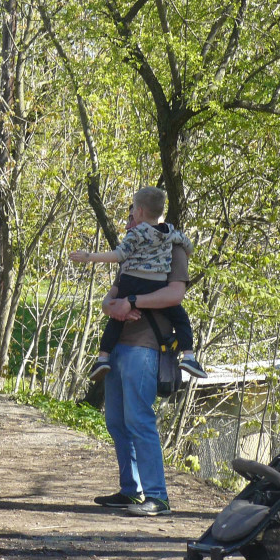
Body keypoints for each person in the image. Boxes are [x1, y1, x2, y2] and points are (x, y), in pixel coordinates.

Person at [92, 203, 189, 517]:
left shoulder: (174, 248)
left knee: (139, 421)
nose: (128, 221)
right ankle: (131, 491)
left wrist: (132, 301)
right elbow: (109, 299)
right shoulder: (134, 249)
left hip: (146, 348)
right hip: (118, 347)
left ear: (147, 213)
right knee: (117, 422)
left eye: (132, 215)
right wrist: (114, 306)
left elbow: (174, 295)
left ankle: (157, 498)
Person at [70, 187, 206, 381]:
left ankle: (102, 358)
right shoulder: (171, 233)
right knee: (180, 318)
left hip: (132, 285)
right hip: (156, 284)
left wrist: (89, 256)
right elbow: (189, 246)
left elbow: (118, 255)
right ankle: (189, 356)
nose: (129, 220)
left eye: (132, 210)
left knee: (115, 322)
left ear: (140, 211)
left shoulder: (137, 234)